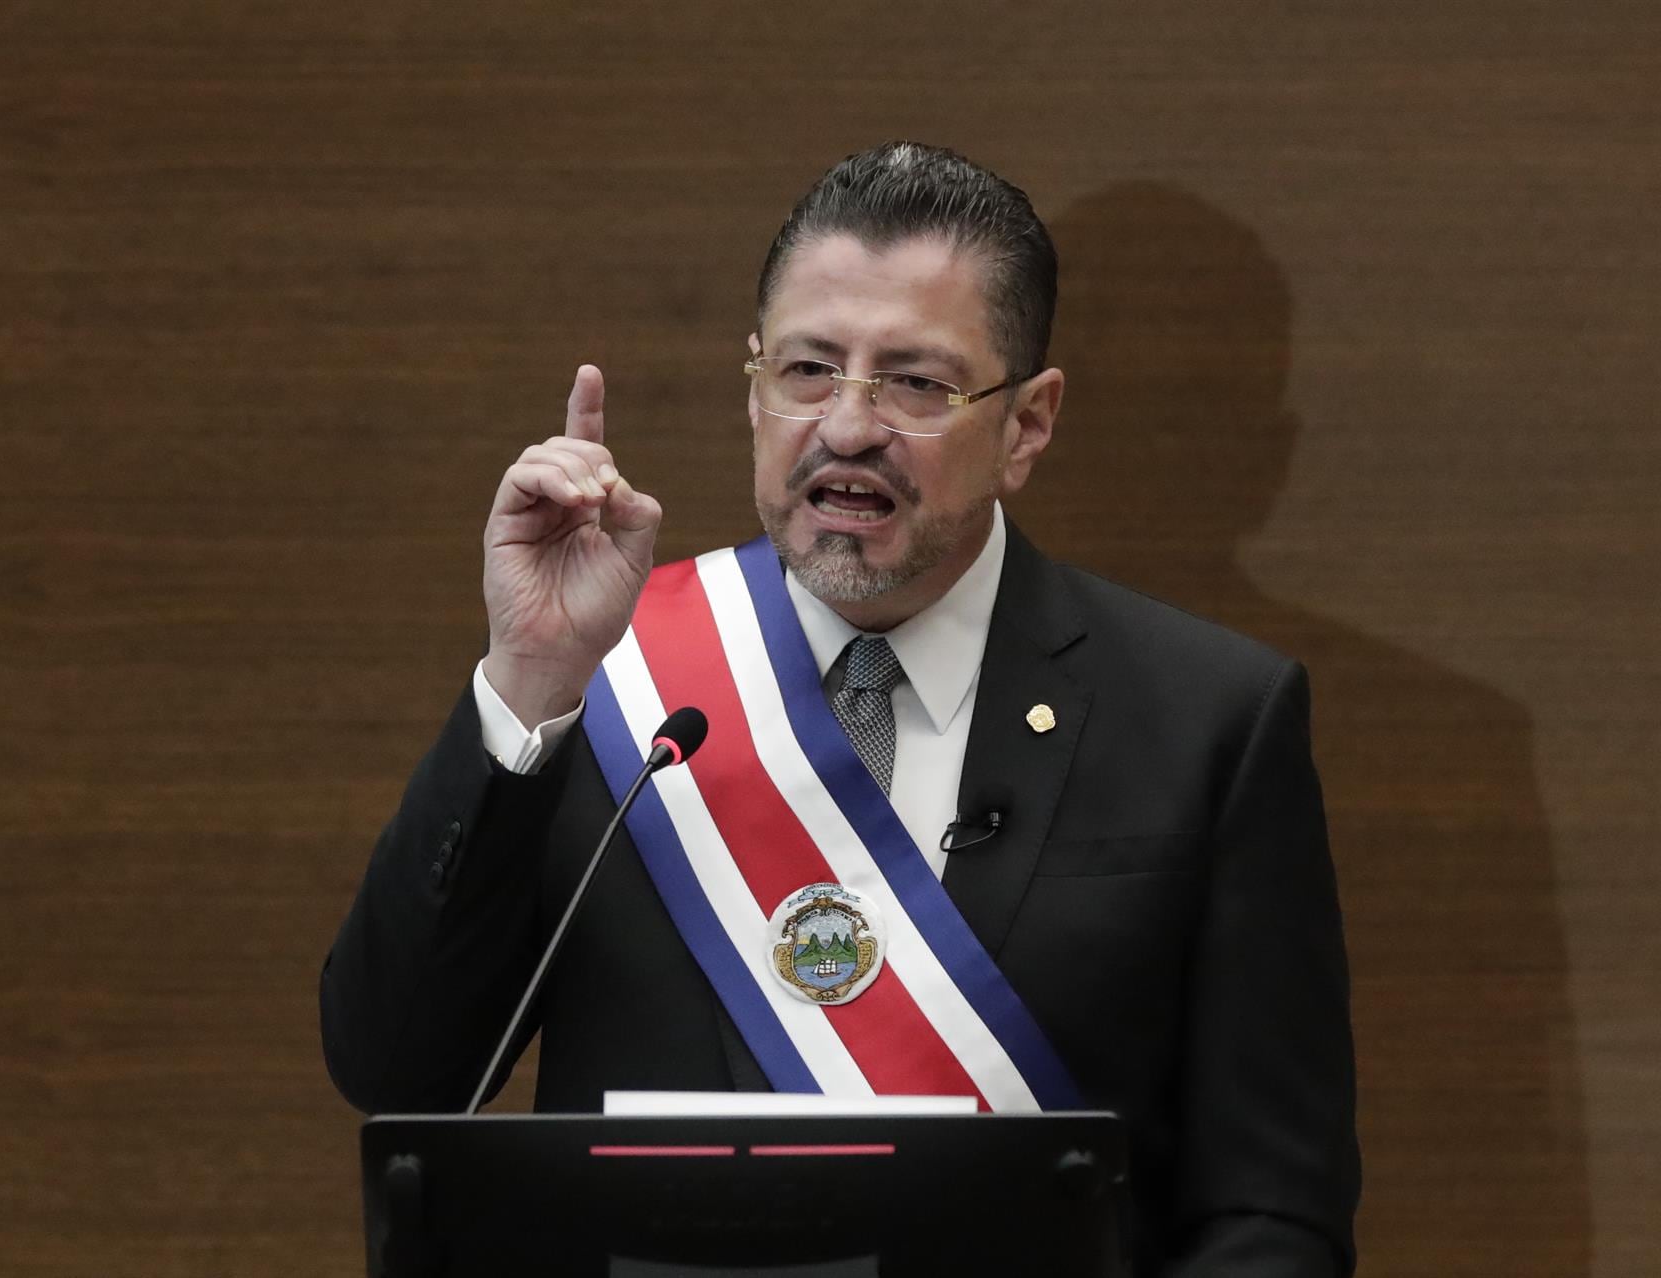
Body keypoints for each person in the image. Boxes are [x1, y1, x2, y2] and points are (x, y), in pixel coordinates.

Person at [321, 141, 1360, 1274]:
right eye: (809, 370)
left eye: (917, 382)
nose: (849, 428)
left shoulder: (1211, 718)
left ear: (1029, 424)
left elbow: (1272, 1208)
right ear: (754, 384)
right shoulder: (612, 678)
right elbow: (398, 1071)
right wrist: (528, 684)